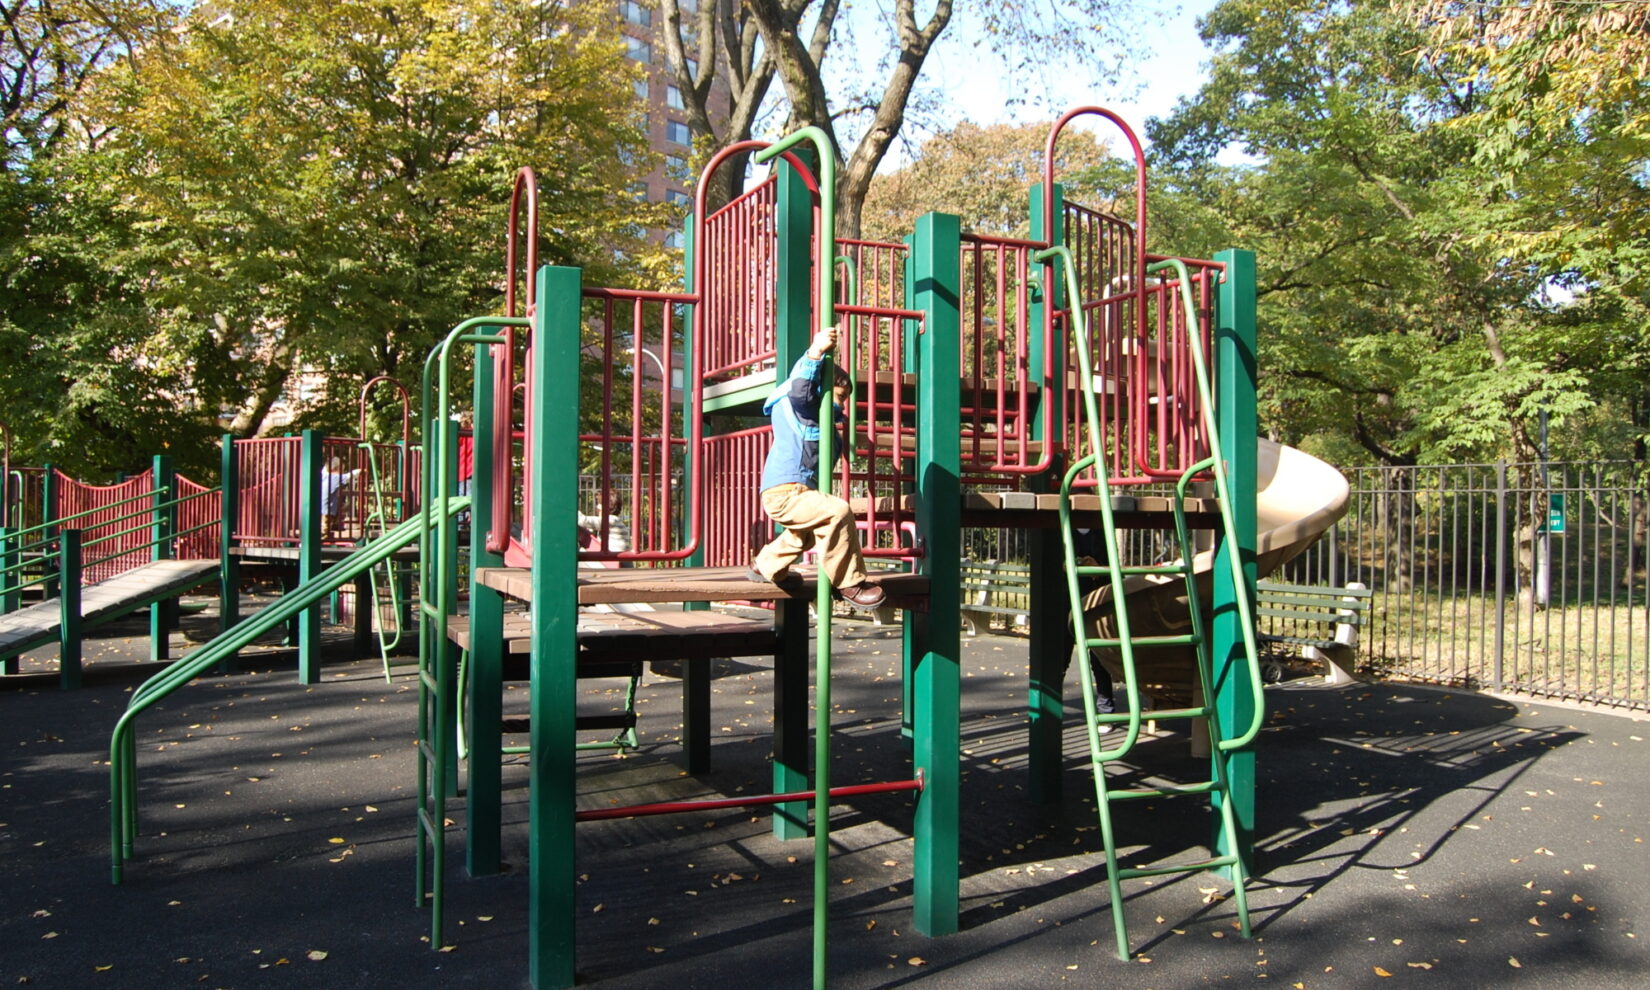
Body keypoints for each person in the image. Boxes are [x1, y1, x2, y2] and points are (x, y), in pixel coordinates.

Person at [748, 325, 885, 609]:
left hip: (794, 490)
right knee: (838, 511)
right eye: (840, 396)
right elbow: (802, 389)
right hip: (785, 492)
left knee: (805, 533)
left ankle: (766, 565)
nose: (842, 405)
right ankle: (850, 583)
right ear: (823, 389)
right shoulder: (801, 404)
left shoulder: (816, 417)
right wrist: (815, 352)